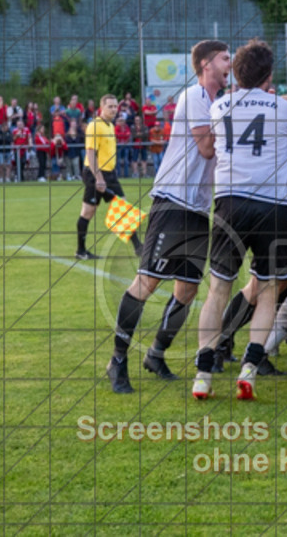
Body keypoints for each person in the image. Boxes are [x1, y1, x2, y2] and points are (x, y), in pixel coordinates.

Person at [106, 39, 230, 395]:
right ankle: (117, 360)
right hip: (172, 201)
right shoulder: (194, 97)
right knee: (146, 283)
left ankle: (156, 354)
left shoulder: (219, 103)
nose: (230, 64)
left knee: (188, 290)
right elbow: (207, 148)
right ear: (206, 64)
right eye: (225, 58)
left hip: (197, 208)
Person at [191, 40, 287, 401]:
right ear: (270, 76)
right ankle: (250, 368)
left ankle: (203, 374)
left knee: (218, 289)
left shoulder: (220, 105)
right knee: (267, 288)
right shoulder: (284, 109)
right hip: (272, 205)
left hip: (230, 202)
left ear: (236, 73)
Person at [75, 95, 141, 260]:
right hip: (95, 173)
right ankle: (81, 251)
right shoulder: (95, 126)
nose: (113, 109)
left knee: (123, 207)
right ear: (101, 107)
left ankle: (139, 247)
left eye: (115, 106)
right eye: (110, 106)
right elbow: (90, 154)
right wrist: (98, 178)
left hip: (109, 175)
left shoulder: (110, 125)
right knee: (88, 212)